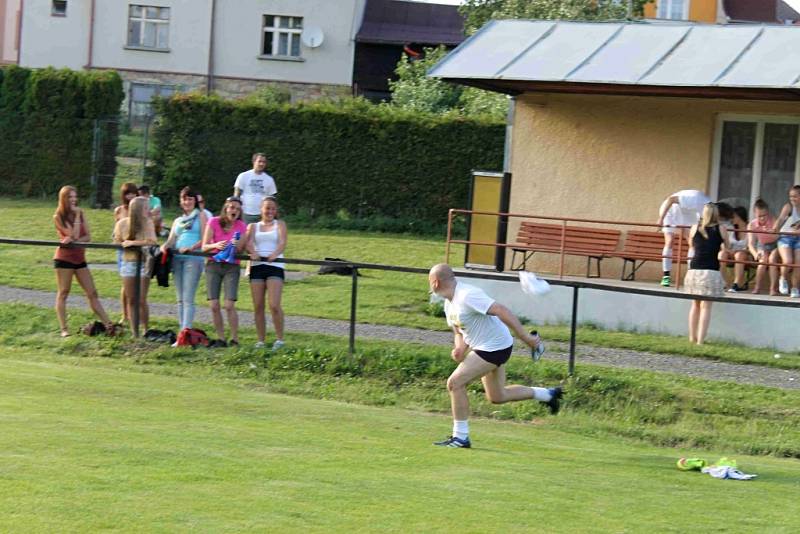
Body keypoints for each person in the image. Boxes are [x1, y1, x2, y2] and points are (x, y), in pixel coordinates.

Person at [428, 263, 561, 448]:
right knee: (497, 396)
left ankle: (460, 437)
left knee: (455, 383)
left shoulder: (467, 295)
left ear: (435, 283)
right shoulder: (448, 303)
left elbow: (501, 310)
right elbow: (460, 331)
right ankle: (548, 395)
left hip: (494, 347)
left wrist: (525, 337)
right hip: (487, 347)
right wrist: (460, 349)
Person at [53, 185, 114, 337]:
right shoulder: (58, 216)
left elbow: (87, 237)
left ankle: (109, 325)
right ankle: (64, 329)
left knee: (92, 292)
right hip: (64, 259)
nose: (74, 200)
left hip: (80, 258)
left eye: (75, 196)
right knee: (64, 292)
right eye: (70, 197)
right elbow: (72, 234)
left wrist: (76, 233)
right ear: (63, 199)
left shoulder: (81, 212)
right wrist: (77, 219)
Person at [201, 196, 248, 347]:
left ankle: (234, 338)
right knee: (214, 304)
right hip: (214, 264)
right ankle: (221, 338)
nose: (234, 211)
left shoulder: (241, 225)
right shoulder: (214, 222)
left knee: (229, 305)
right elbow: (204, 246)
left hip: (232, 266)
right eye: (232, 207)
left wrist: (237, 244)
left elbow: (241, 248)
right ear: (226, 208)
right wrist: (216, 245)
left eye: (237, 209)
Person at [162, 187, 208, 331]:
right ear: (181, 201)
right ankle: (182, 330)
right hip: (177, 258)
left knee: (188, 297)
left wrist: (192, 248)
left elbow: (205, 239)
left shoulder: (200, 216)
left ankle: (186, 331)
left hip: (193, 258)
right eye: (184, 199)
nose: (187, 202)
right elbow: (171, 239)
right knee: (180, 298)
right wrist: (164, 247)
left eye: (190, 199)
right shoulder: (178, 220)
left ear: (195, 201)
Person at [684, 203, 730, 345]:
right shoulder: (721, 229)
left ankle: (692, 338)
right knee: (706, 307)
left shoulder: (694, 228)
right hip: (711, 270)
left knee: (695, 305)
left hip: (694, 269)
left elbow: (692, 245)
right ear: (716, 214)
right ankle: (701, 341)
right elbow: (727, 247)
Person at [246, 196, 287, 350]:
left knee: (274, 304)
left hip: (274, 265)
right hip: (257, 266)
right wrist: (253, 252)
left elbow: (283, 242)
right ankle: (261, 340)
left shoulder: (280, 224)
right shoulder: (253, 226)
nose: (269, 211)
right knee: (258, 305)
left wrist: (275, 254)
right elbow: (248, 242)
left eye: (272, 208)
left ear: (275, 211)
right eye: (267, 208)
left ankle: (280, 339)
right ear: (261, 209)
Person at [113, 196, 157, 335]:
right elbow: (117, 241)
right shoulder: (122, 224)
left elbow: (152, 241)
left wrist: (134, 243)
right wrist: (124, 244)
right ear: (137, 210)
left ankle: (145, 329)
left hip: (144, 263)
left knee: (141, 299)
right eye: (145, 208)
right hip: (128, 263)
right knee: (131, 299)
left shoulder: (148, 223)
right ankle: (134, 332)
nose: (148, 210)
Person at [657, 189, 710, 287]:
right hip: (671, 210)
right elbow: (671, 199)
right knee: (669, 241)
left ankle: (691, 274)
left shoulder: (709, 210)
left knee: (692, 243)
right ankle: (666, 276)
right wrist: (661, 219)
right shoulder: (695, 199)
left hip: (688, 213)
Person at [115, 182, 139, 323]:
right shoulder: (119, 210)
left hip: (137, 249)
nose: (130, 196)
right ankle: (125, 314)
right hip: (122, 250)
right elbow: (116, 231)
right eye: (127, 193)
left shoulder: (139, 209)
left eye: (133, 193)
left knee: (137, 284)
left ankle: (135, 314)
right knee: (125, 283)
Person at [747, 199, 780, 295]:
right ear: (755, 214)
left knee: (772, 260)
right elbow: (750, 243)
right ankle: (757, 287)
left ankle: (772, 288)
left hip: (775, 244)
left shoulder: (773, 220)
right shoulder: (752, 224)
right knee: (762, 262)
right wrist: (755, 253)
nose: (762, 218)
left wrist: (770, 232)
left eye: (764, 215)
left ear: (768, 213)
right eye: (759, 216)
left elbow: (778, 236)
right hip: (762, 245)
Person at [772, 185, 800, 297]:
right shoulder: (788, 207)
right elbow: (780, 219)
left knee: (798, 263)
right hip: (785, 237)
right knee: (788, 261)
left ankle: (794, 287)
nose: (792, 199)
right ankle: (782, 278)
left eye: (795, 196)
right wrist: (775, 228)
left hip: (798, 238)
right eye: (790, 196)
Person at [234, 153, 277, 224]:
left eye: (264, 162)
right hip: (245, 213)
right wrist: (237, 210)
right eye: (259, 161)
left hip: (262, 214)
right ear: (254, 162)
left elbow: (272, 199)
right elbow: (236, 195)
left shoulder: (269, 179)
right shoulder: (243, 176)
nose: (261, 164)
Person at [719, 205, 751, 292]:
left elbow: (751, 247)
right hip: (731, 252)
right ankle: (721, 282)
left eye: (733, 217)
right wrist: (728, 250)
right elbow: (723, 243)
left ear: (740, 217)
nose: (731, 219)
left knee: (739, 255)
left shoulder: (750, 228)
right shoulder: (730, 228)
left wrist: (739, 251)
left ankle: (737, 284)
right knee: (722, 254)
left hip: (746, 254)